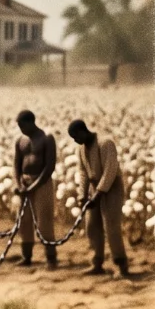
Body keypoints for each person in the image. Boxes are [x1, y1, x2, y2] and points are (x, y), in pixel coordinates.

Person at [68, 118, 133, 278]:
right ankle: (96, 263)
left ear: (83, 131)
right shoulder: (81, 149)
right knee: (91, 225)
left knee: (111, 226)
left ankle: (121, 264)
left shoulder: (106, 143)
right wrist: (82, 195)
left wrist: (98, 194)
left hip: (111, 187)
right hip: (94, 187)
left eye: (76, 137)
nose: (76, 141)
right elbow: (83, 172)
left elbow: (110, 170)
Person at [14, 111, 60, 270]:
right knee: (24, 221)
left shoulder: (46, 138)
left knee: (44, 221)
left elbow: (50, 166)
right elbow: (16, 165)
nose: (20, 129)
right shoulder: (21, 140)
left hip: (42, 183)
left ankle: (51, 258)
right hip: (24, 182)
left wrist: (33, 186)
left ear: (30, 122)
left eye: (22, 125)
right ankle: (26, 257)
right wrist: (19, 184)